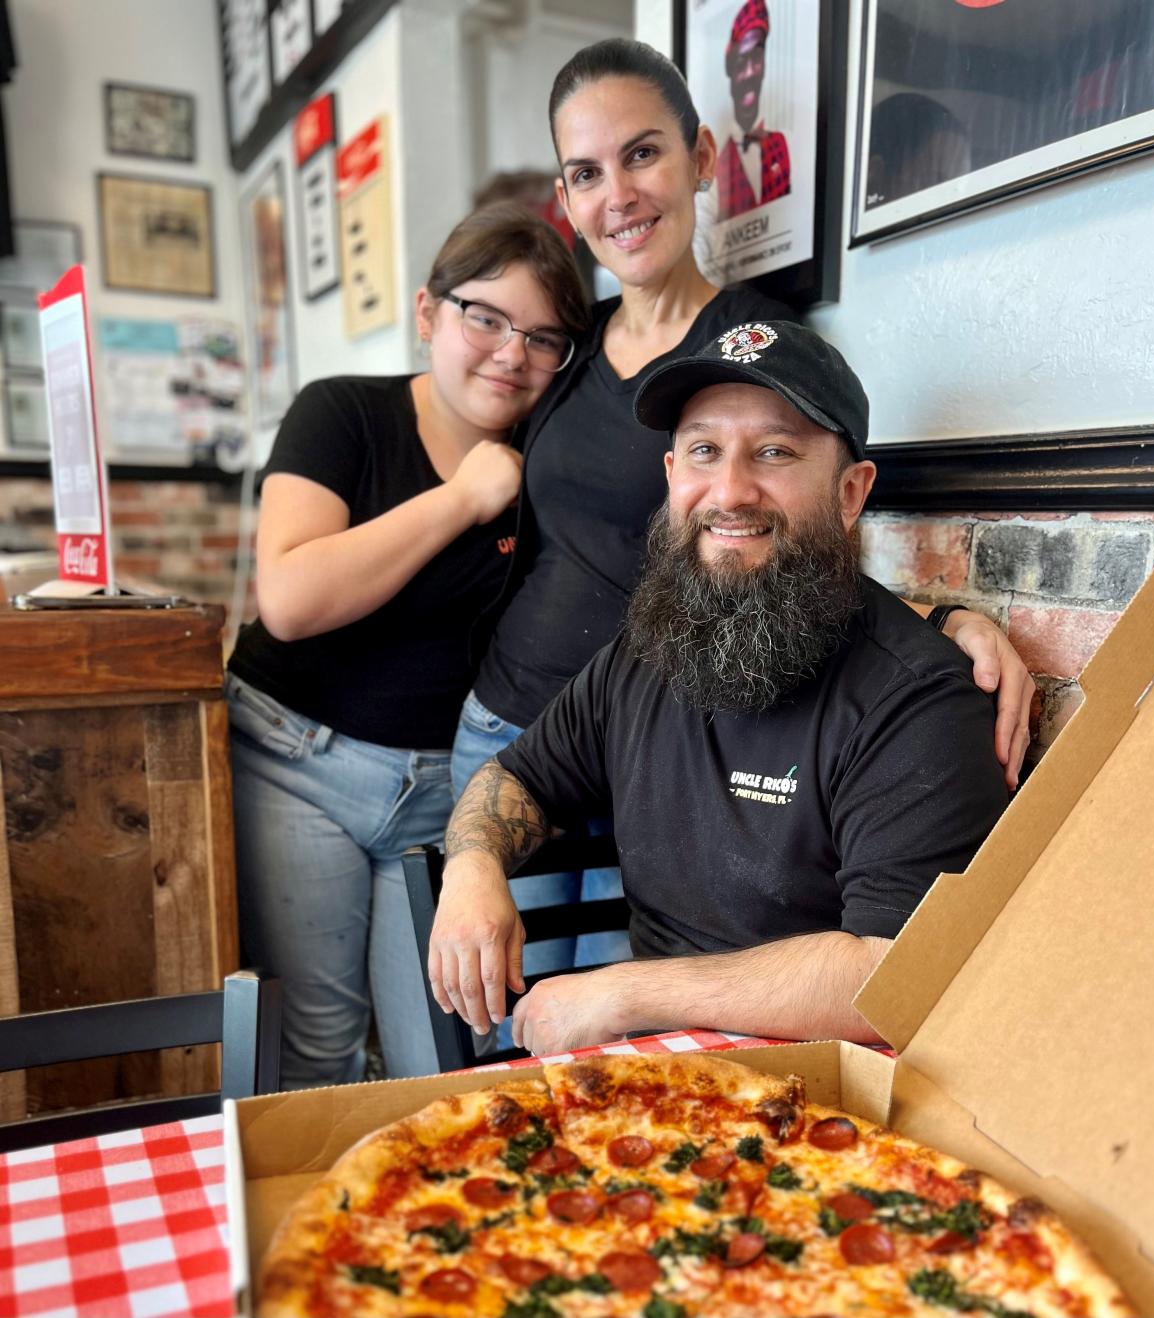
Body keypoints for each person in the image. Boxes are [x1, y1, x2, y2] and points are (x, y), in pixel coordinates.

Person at [451, 38, 1034, 980]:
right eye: (586, 172)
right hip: (546, 718)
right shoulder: (567, 353)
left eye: (643, 153)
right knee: (505, 1012)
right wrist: (470, 861)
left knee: (597, 991)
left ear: (701, 160)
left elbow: (790, 555)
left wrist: (942, 618)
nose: (730, 483)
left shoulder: (759, 345)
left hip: (673, 724)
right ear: (566, 202)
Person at [430, 321, 1010, 1056]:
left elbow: (896, 974)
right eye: (705, 451)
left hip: (830, 1092)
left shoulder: (916, 699)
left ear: (850, 492)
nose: (731, 491)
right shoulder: (644, 650)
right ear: (673, 474)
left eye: (774, 452)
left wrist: (623, 992)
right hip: (647, 1075)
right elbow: (519, 778)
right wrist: (473, 868)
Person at [225, 204, 589, 1088]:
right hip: (293, 757)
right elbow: (291, 600)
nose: (512, 353)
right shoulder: (343, 413)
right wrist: (463, 499)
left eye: (544, 338)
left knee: (440, 1055)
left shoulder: (552, 463)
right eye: (486, 318)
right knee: (320, 1047)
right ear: (429, 312)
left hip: (442, 789)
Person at [714, 0, 791, 221]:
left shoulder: (780, 145)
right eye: (741, 62)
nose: (749, 73)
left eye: (756, 58)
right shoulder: (716, 166)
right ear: (729, 68)